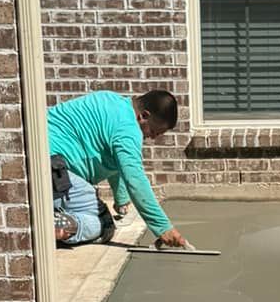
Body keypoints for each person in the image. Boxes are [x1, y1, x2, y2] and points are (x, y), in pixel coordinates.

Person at [47, 87, 188, 250]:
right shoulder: (129, 131)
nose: (153, 137)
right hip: (51, 169)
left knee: (91, 208)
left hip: (36, 158)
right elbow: (135, 179)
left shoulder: (111, 100)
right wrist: (163, 228)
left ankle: (54, 216)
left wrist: (121, 199)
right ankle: (57, 225)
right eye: (155, 131)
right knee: (104, 223)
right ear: (144, 116)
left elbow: (114, 160)